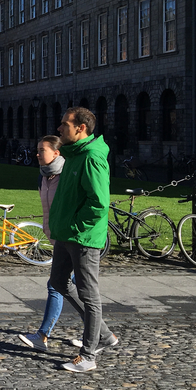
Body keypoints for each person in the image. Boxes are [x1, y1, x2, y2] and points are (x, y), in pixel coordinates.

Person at [48, 107, 118, 373]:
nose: (59, 129)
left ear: (81, 128)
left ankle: (88, 355)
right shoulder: (74, 154)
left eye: (65, 124)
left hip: (82, 237)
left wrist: (77, 227)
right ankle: (104, 334)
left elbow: (98, 203)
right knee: (58, 282)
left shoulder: (90, 157)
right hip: (67, 234)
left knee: (90, 295)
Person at [17, 135, 65, 351]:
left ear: (56, 153)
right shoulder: (43, 177)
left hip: (70, 239)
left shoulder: (66, 176)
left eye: (42, 150)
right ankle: (100, 334)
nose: (37, 154)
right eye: (37, 149)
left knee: (57, 286)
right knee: (79, 290)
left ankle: (42, 335)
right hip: (55, 238)